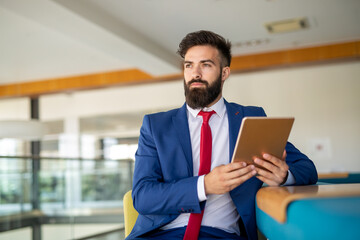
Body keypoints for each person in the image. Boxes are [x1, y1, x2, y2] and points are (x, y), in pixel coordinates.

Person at [127, 30, 318, 240]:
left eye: (206, 65)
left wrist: (283, 176)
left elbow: (306, 168)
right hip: (159, 234)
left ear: (224, 73)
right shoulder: (156, 126)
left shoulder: (251, 118)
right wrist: (205, 185)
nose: (195, 73)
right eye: (189, 65)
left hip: (221, 235)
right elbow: (142, 196)